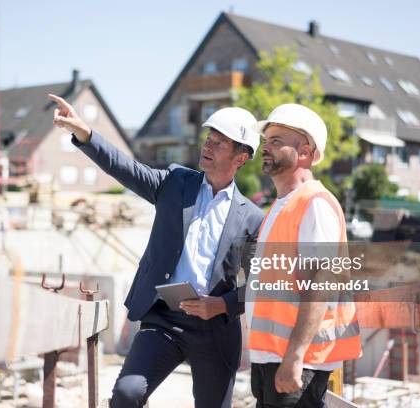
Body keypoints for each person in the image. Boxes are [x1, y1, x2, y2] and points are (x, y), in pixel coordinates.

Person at [48, 94, 265, 408]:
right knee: (126, 395)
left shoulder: (253, 219)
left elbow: (257, 285)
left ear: (241, 157)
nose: (207, 146)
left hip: (217, 330)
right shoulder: (176, 183)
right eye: (208, 139)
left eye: (219, 143)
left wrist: (219, 305)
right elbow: (127, 169)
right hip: (166, 321)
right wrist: (85, 134)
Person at [246, 104, 362, 407]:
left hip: (298, 361)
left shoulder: (315, 204)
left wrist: (295, 358)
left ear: (306, 153)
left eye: (276, 141)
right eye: (265, 141)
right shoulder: (281, 206)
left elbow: (320, 285)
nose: (265, 148)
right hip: (271, 355)